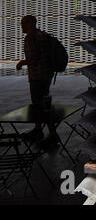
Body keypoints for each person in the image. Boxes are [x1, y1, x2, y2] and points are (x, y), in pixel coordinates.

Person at [16, 15, 58, 147]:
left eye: (23, 23)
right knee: (43, 104)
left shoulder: (30, 38)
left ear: (30, 24)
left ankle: (51, 134)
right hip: (47, 75)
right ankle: (38, 129)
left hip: (37, 77)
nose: (21, 26)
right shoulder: (42, 35)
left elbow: (34, 59)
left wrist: (22, 62)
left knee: (39, 106)